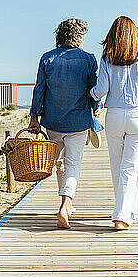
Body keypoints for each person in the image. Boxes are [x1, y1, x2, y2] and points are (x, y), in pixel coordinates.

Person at [90, 16, 138, 230]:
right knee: (130, 167)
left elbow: (101, 90)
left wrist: (91, 94)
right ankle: (127, 212)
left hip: (113, 115)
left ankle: (126, 212)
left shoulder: (107, 58)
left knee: (118, 166)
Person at [29, 18, 99, 229]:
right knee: (73, 163)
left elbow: (39, 89)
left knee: (59, 162)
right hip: (78, 121)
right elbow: (93, 90)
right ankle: (66, 203)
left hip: (53, 121)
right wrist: (94, 111)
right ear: (80, 37)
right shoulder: (88, 59)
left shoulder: (47, 58)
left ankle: (66, 202)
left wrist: (34, 116)